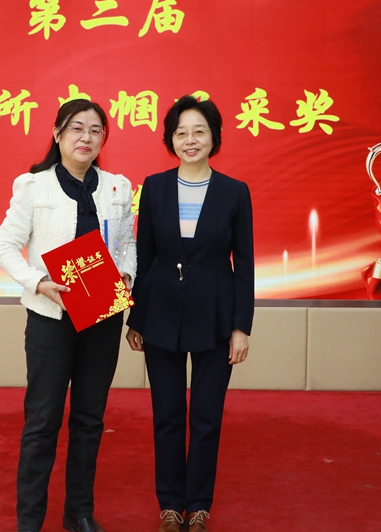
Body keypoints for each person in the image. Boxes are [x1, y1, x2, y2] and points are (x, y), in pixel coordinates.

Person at [0, 98, 137, 532]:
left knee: (90, 420)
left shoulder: (117, 187)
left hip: (102, 316)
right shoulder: (33, 186)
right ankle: (30, 519)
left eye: (95, 130)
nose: (85, 138)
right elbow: (4, 247)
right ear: (57, 134)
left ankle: (78, 512)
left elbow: (128, 244)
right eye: (76, 128)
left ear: (103, 138)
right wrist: (38, 282)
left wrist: (127, 275)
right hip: (50, 319)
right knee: (42, 421)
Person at [126, 95, 254, 532]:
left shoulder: (234, 192)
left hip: (216, 318)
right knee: (167, 415)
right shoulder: (155, 187)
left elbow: (244, 266)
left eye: (199, 131)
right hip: (160, 315)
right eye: (181, 132)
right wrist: (136, 319)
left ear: (214, 137)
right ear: (171, 140)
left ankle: (198, 506)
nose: (190, 140)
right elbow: (144, 257)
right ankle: (169, 505)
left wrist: (240, 327)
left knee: (205, 417)